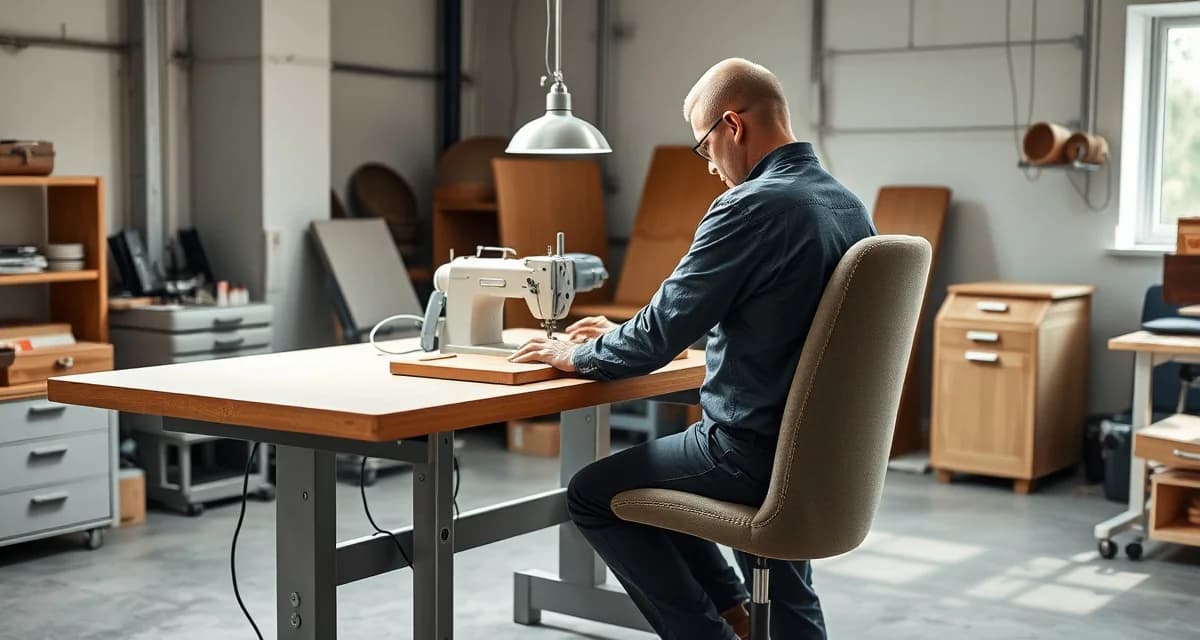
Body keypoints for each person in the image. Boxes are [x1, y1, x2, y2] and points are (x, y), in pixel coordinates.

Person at [509, 57, 875, 640]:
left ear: (733, 125)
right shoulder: (846, 205)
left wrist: (574, 355)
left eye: (704, 148)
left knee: (595, 494)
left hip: (746, 453)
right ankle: (739, 615)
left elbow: (656, 337)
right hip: (813, 454)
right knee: (674, 486)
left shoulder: (753, 205)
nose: (708, 168)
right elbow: (772, 320)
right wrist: (617, 332)